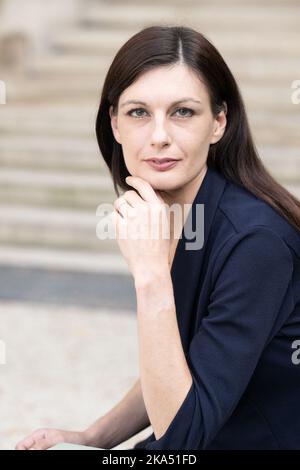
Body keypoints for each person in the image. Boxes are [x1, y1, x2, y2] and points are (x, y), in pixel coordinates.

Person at [16, 25, 300, 451]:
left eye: (183, 112)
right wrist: (93, 437)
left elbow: (182, 441)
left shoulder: (255, 242)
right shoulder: (190, 212)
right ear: (114, 123)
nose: (160, 136)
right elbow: (182, 362)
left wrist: (150, 277)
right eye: (138, 112)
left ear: (219, 122)